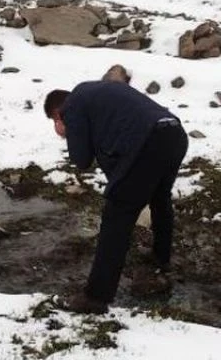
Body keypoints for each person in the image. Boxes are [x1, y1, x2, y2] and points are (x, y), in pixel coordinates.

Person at [43, 79, 188, 313]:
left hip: (147, 141)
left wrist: (67, 129)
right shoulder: (96, 95)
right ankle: (161, 258)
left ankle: (96, 298)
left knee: (116, 216)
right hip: (174, 134)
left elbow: (81, 159)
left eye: (55, 121)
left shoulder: (73, 105)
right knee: (160, 198)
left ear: (57, 113)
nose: (57, 126)